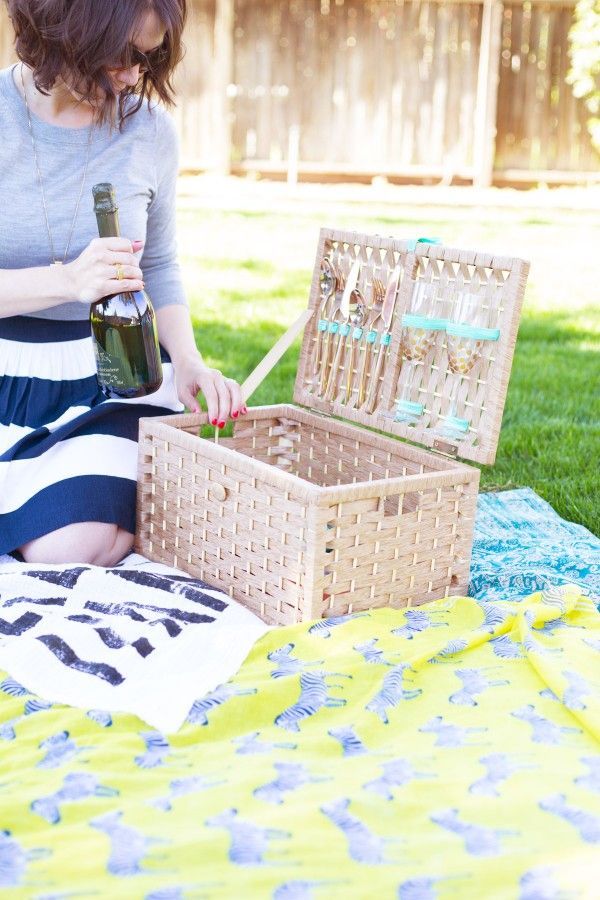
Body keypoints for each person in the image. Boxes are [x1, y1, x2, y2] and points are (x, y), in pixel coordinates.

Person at [0, 0, 245, 565]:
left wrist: (187, 361)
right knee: (78, 534)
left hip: (112, 379)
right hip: (11, 373)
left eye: (147, 57)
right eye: (121, 55)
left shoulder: (150, 130)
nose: (134, 75)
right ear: (66, 32)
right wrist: (67, 280)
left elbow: (158, 264)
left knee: (73, 545)